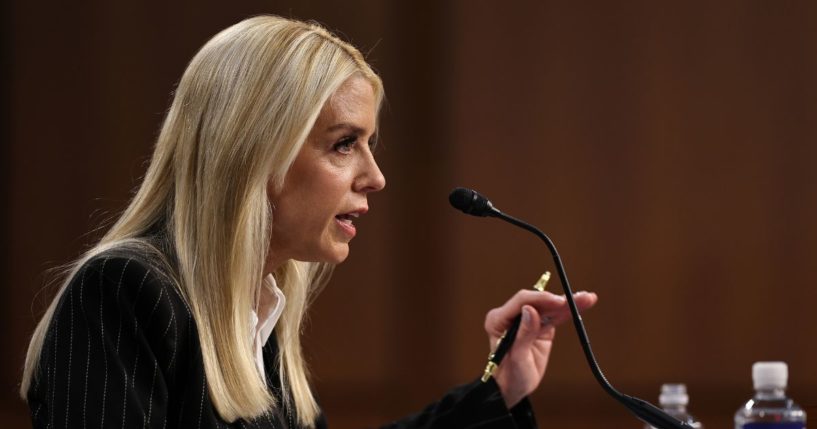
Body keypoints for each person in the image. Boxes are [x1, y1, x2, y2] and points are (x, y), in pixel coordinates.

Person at [20, 15, 598, 428]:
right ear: (254, 151)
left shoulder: (256, 313)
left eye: (369, 143)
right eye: (344, 144)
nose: (375, 177)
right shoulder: (126, 291)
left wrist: (498, 391)